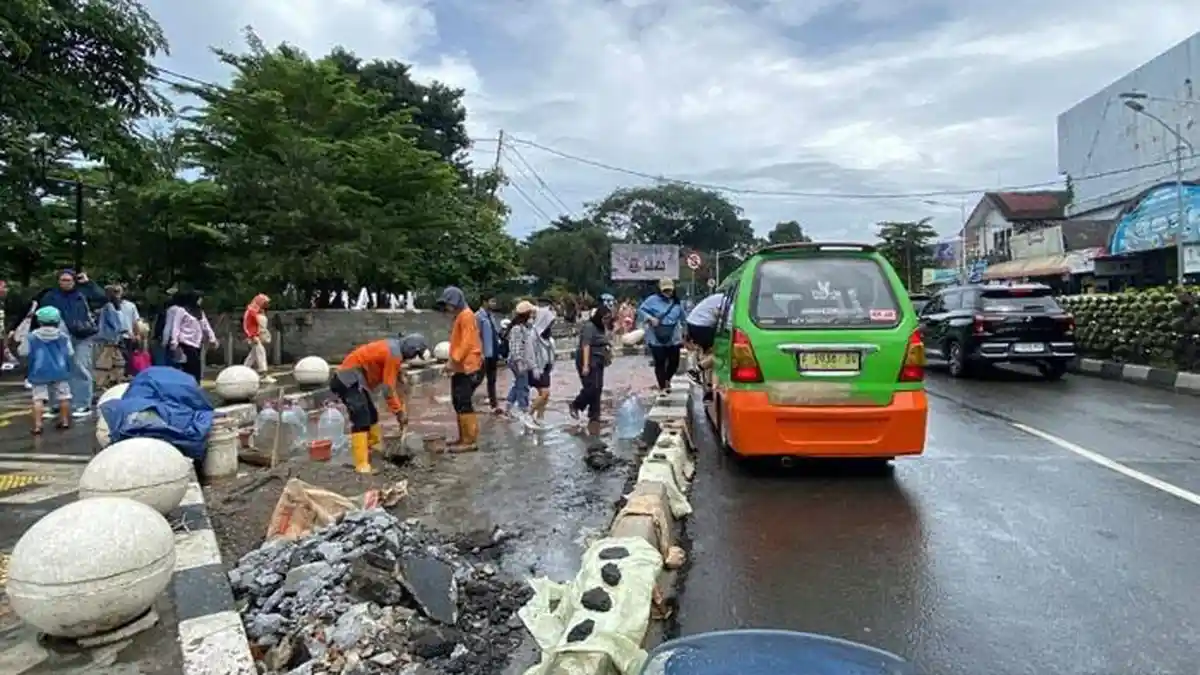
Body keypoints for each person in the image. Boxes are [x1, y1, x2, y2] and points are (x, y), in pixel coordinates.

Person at [331, 333, 428, 474]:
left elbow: (386, 366)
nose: (413, 358)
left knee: (372, 415)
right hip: (348, 378)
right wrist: (399, 412)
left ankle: (374, 452)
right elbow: (388, 390)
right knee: (361, 418)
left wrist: (399, 374)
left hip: (357, 379)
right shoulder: (394, 354)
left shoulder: (394, 348)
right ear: (411, 349)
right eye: (415, 354)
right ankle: (361, 465)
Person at [40, 270, 98, 418]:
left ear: (74, 281)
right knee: (55, 369)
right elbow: (42, 313)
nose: (65, 283)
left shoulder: (83, 293)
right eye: (62, 280)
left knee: (80, 368)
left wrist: (88, 283)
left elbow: (102, 298)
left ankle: (82, 404)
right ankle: (55, 405)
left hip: (82, 335)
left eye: (68, 280)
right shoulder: (50, 296)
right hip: (57, 336)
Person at [437, 286, 485, 451]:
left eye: (449, 303)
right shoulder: (461, 316)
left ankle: (470, 441)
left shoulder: (466, 316)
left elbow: (467, 343)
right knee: (458, 401)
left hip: (469, 366)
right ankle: (463, 437)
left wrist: (453, 361)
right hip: (461, 367)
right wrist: (452, 363)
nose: (447, 307)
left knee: (463, 401)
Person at [26, 306, 74, 434]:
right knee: (64, 396)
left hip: (38, 371)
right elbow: (70, 352)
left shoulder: (32, 337)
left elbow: (23, 351)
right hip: (60, 370)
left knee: (38, 398)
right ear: (58, 321)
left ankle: (38, 425)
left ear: (39, 321)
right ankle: (64, 421)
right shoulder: (63, 337)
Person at [568, 303, 612, 429]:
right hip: (587, 359)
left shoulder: (601, 328)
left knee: (598, 388)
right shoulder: (589, 327)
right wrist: (586, 365)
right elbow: (586, 345)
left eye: (608, 318)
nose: (606, 321)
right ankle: (576, 404)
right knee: (592, 387)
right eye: (605, 318)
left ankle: (594, 416)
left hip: (599, 360)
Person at [638, 278, 685, 391]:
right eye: (665, 290)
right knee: (660, 362)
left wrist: (686, 334)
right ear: (660, 290)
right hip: (656, 337)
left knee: (674, 362)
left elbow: (683, 318)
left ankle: (667, 379)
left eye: (670, 290)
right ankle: (662, 387)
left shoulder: (677, 302)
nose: (667, 293)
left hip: (673, 337)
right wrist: (650, 318)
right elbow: (640, 311)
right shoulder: (652, 300)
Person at [168, 291, 219, 382]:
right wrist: (174, 342)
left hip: (196, 343)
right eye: (199, 298)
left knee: (196, 365)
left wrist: (213, 339)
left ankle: (195, 383)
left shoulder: (200, 312)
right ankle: (190, 382)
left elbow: (206, 326)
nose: (201, 300)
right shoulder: (182, 311)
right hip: (185, 342)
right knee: (192, 365)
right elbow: (176, 326)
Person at [504, 301, 538, 428]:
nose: (533, 315)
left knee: (518, 384)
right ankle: (524, 412)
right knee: (523, 386)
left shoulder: (524, 327)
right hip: (518, 362)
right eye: (531, 313)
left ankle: (508, 407)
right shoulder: (517, 329)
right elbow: (515, 347)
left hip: (522, 361)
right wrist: (519, 363)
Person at [684, 291, 726, 390]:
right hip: (701, 325)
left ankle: (709, 384)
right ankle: (696, 370)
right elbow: (718, 313)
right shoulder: (727, 300)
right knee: (718, 354)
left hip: (696, 323)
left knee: (710, 354)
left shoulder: (720, 297)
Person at [94, 285, 129, 389]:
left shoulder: (108, 306)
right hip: (112, 338)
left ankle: (108, 381)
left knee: (112, 360)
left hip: (110, 337)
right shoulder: (111, 306)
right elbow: (115, 322)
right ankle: (105, 381)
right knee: (109, 360)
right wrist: (122, 330)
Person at [529, 303, 557, 424]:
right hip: (537, 368)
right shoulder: (534, 335)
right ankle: (528, 413)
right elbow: (531, 352)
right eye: (550, 322)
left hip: (546, 368)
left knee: (544, 395)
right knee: (545, 393)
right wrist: (534, 367)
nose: (551, 325)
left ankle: (540, 418)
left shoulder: (547, 335)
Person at [476, 294, 504, 414]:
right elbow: (476, 335)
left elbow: (495, 332)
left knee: (492, 380)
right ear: (484, 302)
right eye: (492, 301)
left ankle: (494, 405)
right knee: (478, 378)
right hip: (484, 353)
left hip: (493, 352)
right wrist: (479, 352)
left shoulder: (491, 316)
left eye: (494, 301)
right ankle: (466, 398)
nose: (494, 304)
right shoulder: (478, 316)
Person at [243, 293, 274, 384]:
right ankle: (263, 374)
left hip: (258, 336)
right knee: (261, 353)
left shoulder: (258, 311)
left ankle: (244, 370)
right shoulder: (250, 311)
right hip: (254, 337)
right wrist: (252, 336)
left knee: (252, 356)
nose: (267, 304)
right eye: (265, 302)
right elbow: (246, 325)